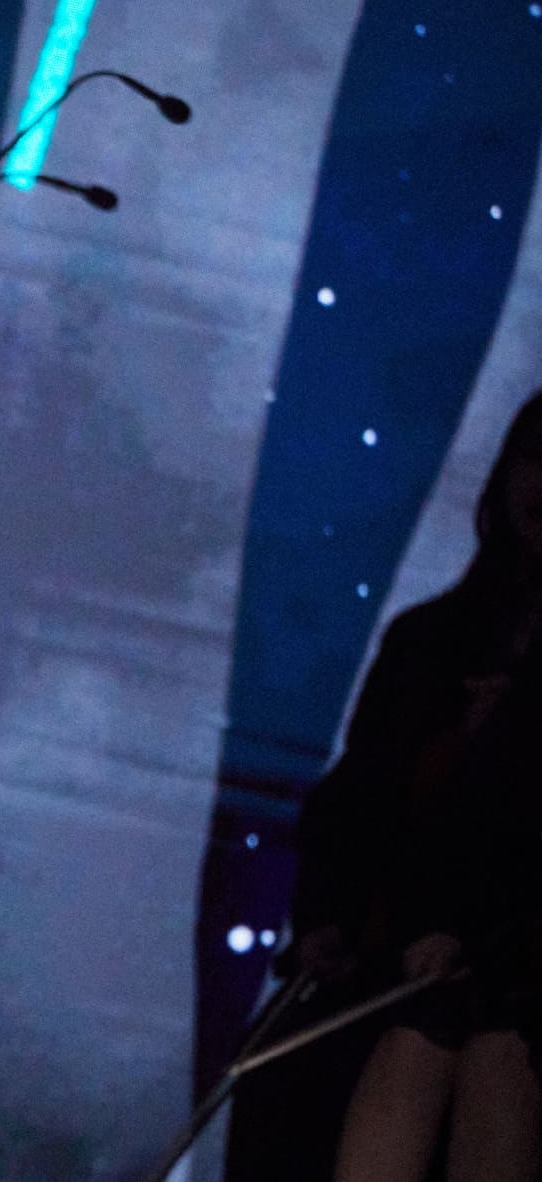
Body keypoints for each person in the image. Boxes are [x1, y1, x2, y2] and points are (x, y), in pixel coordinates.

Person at [289, 388, 542, 1182]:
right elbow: (356, 793)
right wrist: (324, 917)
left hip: (508, 963)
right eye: (534, 458)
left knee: (487, 1037)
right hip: (399, 954)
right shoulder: (429, 640)